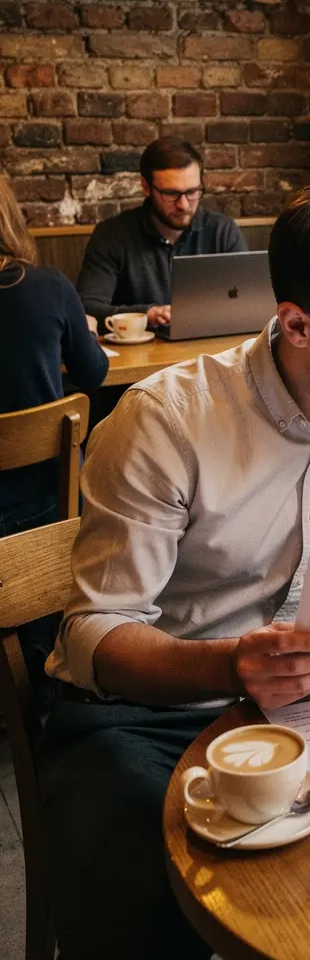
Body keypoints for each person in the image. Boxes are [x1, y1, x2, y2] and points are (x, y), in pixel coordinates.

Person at [40, 183, 310, 960]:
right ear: (297, 324)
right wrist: (233, 668)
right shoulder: (166, 421)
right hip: (151, 714)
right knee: (135, 942)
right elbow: (93, 635)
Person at [0, 177, 108, 703]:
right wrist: (78, 332)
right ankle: (46, 685)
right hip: (47, 508)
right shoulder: (46, 287)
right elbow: (94, 374)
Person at [76, 136, 247, 332]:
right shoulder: (112, 235)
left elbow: (245, 301)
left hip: (208, 351)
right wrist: (146, 314)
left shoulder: (222, 231)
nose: (183, 205)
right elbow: (87, 308)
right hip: (138, 357)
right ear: (146, 187)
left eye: (192, 192)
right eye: (171, 194)